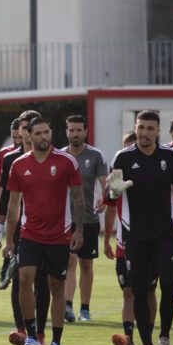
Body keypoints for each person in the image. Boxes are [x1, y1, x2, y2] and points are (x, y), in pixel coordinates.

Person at [106, 110, 173, 345]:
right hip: (136, 236)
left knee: (166, 285)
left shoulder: (171, 158)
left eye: (150, 128)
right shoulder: (122, 158)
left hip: (165, 233)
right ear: (136, 128)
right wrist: (114, 192)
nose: (144, 133)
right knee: (140, 290)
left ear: (158, 131)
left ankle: (164, 339)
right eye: (141, 128)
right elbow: (110, 196)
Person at [4, 116, 84, 345]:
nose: (43, 137)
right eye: (37, 133)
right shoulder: (19, 165)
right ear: (28, 136)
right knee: (25, 277)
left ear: (51, 133)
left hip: (59, 235)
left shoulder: (66, 161)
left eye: (46, 132)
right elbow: (14, 205)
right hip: (30, 234)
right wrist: (9, 239)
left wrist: (79, 230)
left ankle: (56, 342)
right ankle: (31, 337)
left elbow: (78, 198)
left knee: (56, 286)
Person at [106, 132, 156, 345]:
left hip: (149, 240)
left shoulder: (152, 170)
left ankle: (149, 334)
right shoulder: (118, 172)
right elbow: (110, 204)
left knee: (147, 291)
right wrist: (107, 237)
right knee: (128, 291)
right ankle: (128, 338)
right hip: (123, 243)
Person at [61, 114, 108, 323]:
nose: (75, 134)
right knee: (70, 261)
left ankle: (85, 308)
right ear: (66, 132)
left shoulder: (96, 156)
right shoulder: (60, 156)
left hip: (89, 218)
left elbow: (105, 183)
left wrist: (104, 200)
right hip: (65, 220)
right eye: (71, 130)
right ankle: (68, 305)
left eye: (79, 130)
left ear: (85, 132)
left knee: (86, 264)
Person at [0, 118, 24, 248]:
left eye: (18, 137)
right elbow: (0, 186)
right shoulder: (5, 154)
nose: (16, 141)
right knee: (12, 249)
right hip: (12, 205)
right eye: (13, 137)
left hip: (30, 208)